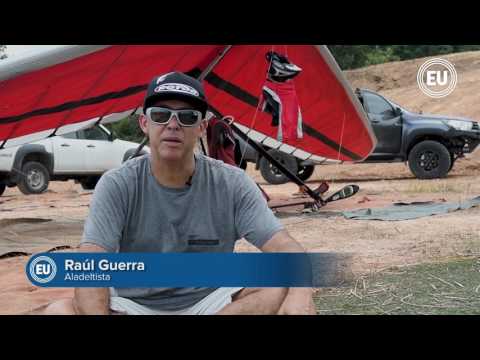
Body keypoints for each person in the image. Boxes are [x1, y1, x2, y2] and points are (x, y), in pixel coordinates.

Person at [36, 72, 316, 315]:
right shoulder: (117, 184)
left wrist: (301, 296)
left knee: (280, 286)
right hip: (132, 304)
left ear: (202, 127)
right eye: (160, 115)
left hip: (212, 302)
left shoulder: (232, 183)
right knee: (59, 309)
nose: (173, 124)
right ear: (145, 124)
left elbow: (286, 248)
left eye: (187, 117)